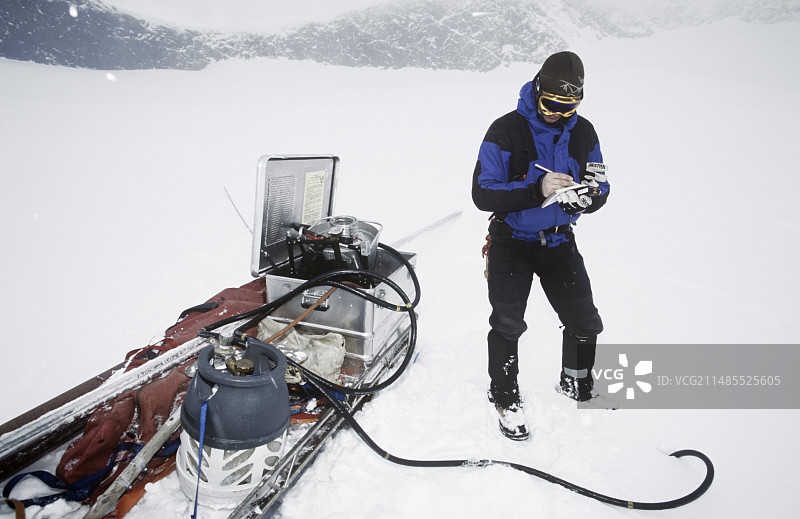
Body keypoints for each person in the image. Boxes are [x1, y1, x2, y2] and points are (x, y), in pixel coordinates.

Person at [471, 51, 610, 441]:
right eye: (551, 105)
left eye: (568, 108)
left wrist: (589, 199)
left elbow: (601, 184)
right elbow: (482, 193)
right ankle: (504, 396)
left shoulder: (584, 132)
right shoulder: (505, 130)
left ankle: (576, 382)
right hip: (511, 241)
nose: (558, 114)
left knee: (585, 322)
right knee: (508, 323)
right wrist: (538, 188)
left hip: (559, 241)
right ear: (537, 90)